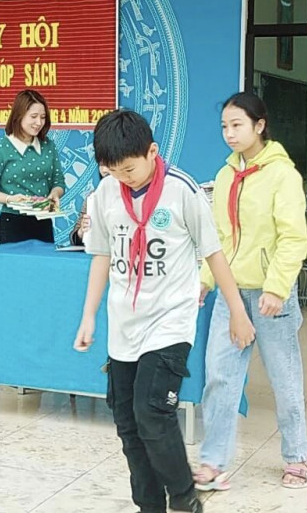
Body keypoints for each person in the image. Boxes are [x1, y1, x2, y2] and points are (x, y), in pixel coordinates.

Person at [74, 109, 254, 513]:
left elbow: (214, 253)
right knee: (127, 422)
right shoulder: (105, 194)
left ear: (152, 152)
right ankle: (149, 505)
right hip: (123, 325)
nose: (124, 178)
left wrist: (237, 311)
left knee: (152, 411)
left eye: (130, 169)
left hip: (170, 321)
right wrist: (88, 316)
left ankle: (185, 498)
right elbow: (101, 256)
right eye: (114, 171)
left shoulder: (182, 190)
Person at [194, 93, 307, 491]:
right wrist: (206, 280)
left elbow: (293, 238)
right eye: (224, 126)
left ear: (259, 125)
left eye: (237, 125)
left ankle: (297, 457)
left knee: (284, 378)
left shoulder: (283, 175)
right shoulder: (226, 175)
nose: (229, 134)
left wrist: (277, 288)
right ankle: (213, 462)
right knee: (220, 377)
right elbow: (218, 238)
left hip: (271, 296)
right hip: (232, 295)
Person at [0, 89, 66, 244]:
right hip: (13, 222)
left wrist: (55, 194)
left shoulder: (48, 146)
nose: (39, 123)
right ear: (19, 115)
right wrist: (9, 199)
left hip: (43, 220)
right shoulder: (1, 148)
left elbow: (58, 182)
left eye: (43, 117)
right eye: (34, 116)